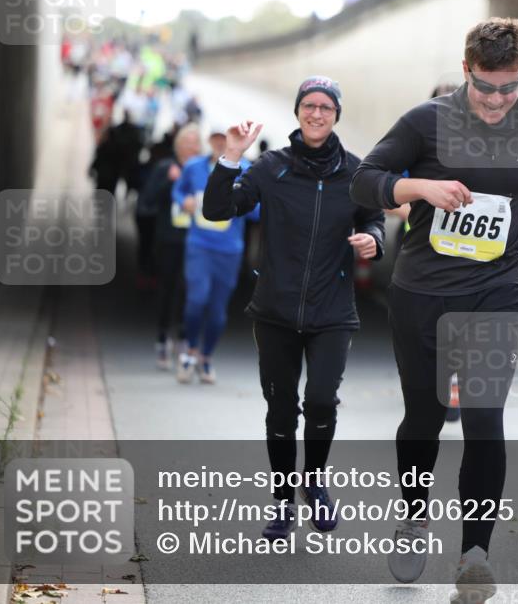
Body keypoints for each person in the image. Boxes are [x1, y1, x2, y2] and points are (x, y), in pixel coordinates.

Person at [350, 18, 518, 603]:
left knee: (482, 418)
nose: (498, 100)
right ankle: (414, 518)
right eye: (486, 86)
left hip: (498, 290)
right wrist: (421, 188)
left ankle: (474, 555)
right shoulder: (428, 121)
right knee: (424, 419)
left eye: (510, 87)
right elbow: (364, 179)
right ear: (467, 68)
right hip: (423, 292)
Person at [203, 76, 385, 539]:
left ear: (336, 114)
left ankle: (315, 483)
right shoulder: (272, 167)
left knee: (321, 401)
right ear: (298, 112)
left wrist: (374, 241)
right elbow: (217, 209)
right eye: (309, 105)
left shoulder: (356, 173)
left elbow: (374, 217)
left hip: (332, 311)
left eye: (326, 106)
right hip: (276, 312)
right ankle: (283, 502)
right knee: (281, 411)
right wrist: (231, 157)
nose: (317, 113)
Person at [172, 129, 260, 384]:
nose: (221, 143)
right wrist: (184, 200)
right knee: (196, 299)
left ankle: (206, 356)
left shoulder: (246, 170)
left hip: (229, 250)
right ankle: (189, 351)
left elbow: (258, 209)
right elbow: (178, 191)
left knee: (218, 310)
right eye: (216, 138)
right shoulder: (194, 167)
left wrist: (245, 206)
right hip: (198, 245)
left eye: (226, 139)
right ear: (209, 141)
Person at [140, 124, 201, 369]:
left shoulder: (202, 171)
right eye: (185, 142)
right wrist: (169, 183)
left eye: (194, 142)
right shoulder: (166, 168)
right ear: (178, 145)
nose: (190, 147)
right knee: (168, 289)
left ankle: (185, 338)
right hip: (169, 239)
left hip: (197, 240)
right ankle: (163, 337)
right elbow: (147, 202)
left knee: (192, 292)